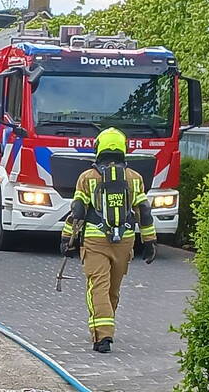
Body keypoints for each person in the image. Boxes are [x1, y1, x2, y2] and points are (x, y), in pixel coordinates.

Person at [60, 127, 157, 354]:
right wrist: (150, 241)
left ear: (99, 148)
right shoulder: (134, 178)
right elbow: (143, 210)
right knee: (113, 289)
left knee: (98, 287)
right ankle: (105, 327)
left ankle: (102, 336)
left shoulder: (88, 178)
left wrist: (67, 238)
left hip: (95, 239)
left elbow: (77, 211)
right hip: (125, 240)